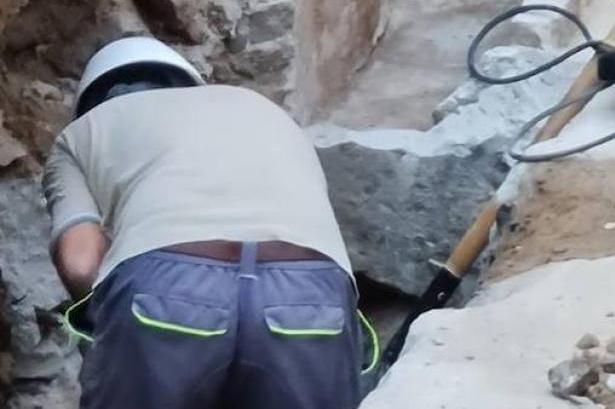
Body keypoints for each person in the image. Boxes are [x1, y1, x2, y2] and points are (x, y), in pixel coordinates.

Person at [42, 36, 374, 408]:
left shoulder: (81, 134)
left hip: (168, 290)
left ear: (93, 101)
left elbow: (80, 262)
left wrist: (112, 315)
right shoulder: (265, 112)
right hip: (310, 296)